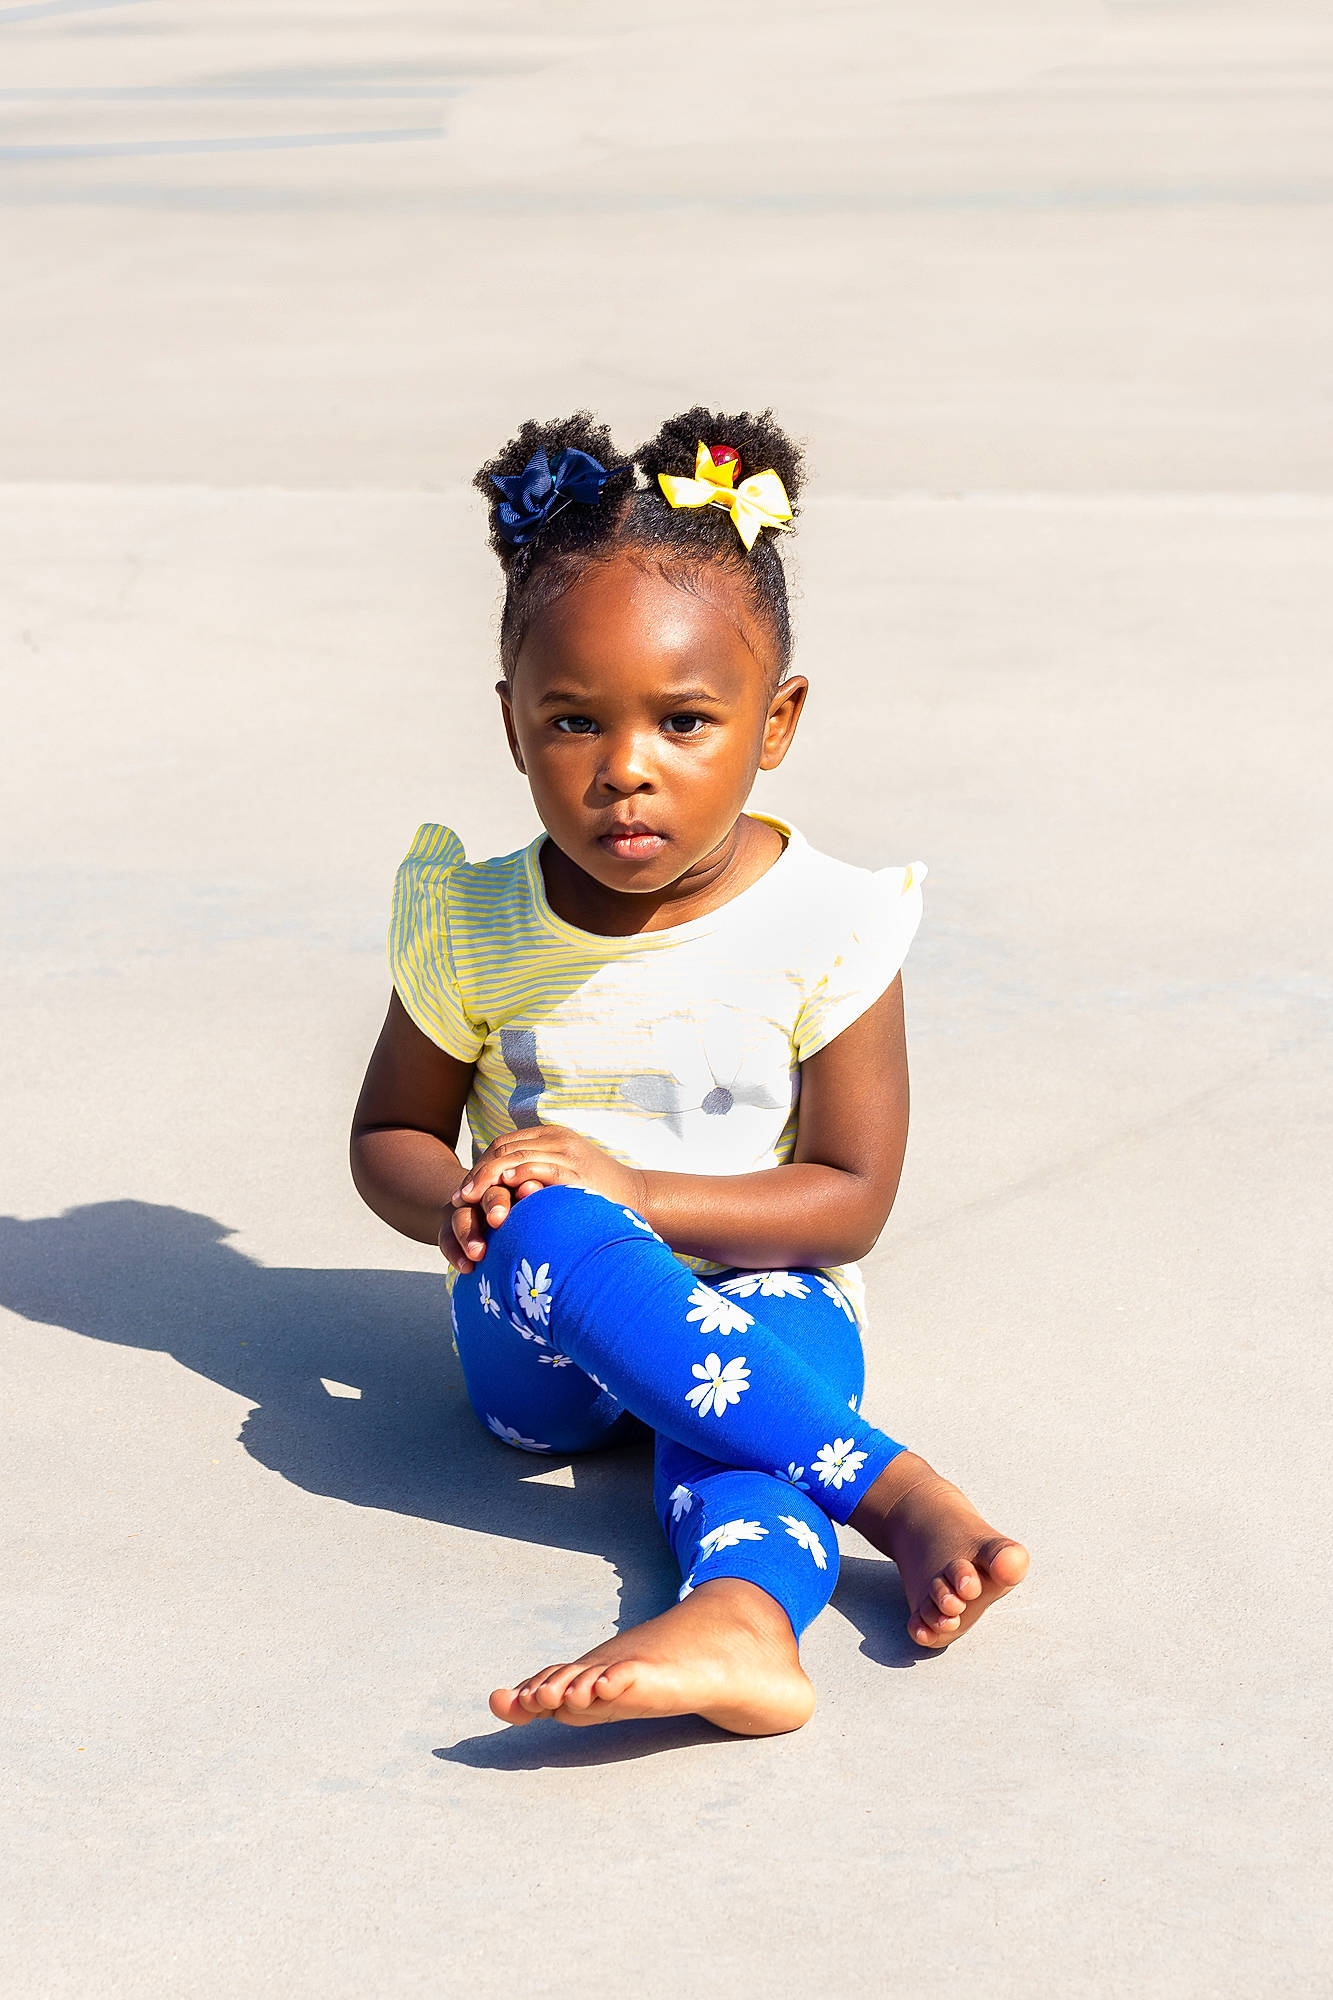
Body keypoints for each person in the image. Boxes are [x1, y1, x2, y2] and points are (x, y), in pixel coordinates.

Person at [350, 406, 1028, 1736]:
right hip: (543, 1349)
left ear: (776, 721)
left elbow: (848, 1199)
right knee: (550, 1213)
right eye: (572, 721)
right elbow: (390, 1132)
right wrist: (464, 1203)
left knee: (761, 1373)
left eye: (683, 721)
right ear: (511, 726)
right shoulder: (477, 923)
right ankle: (893, 1495)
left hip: (757, 1308)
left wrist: (642, 1193)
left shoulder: (828, 923)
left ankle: (741, 1625)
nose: (625, 771)